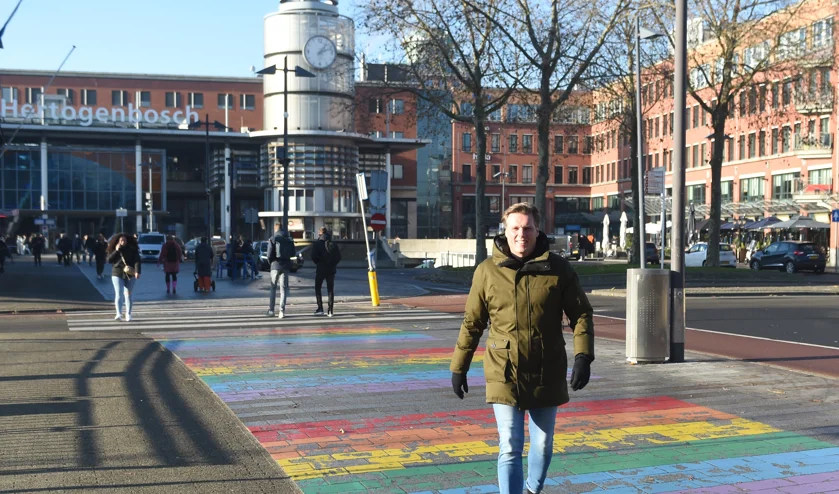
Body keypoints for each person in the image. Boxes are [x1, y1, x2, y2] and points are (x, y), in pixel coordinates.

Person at [449, 203, 594, 494]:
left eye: (527, 228)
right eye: (515, 228)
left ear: (537, 230)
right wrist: (459, 366)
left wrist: (583, 356)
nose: (521, 235)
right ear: (505, 230)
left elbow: (581, 314)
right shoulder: (487, 272)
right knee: (510, 445)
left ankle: (532, 488)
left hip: (546, 368)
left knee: (542, 443)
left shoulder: (558, 269)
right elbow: (472, 323)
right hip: (504, 370)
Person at [107, 233, 141, 321]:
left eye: (124, 240)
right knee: (118, 293)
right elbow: (109, 260)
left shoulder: (132, 249)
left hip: (130, 273)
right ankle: (118, 313)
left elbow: (137, 261)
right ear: (118, 241)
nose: (123, 242)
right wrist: (116, 251)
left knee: (128, 294)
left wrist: (137, 271)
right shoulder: (113, 249)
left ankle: (128, 314)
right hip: (117, 273)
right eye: (121, 240)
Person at [267, 225, 296, 318]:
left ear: (275, 229)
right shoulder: (289, 239)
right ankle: (281, 311)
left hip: (275, 265)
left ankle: (271, 310)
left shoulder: (273, 238)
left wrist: (271, 263)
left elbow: (269, 254)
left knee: (273, 288)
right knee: (283, 289)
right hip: (285, 266)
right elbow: (293, 253)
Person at [311, 226, 341, 317]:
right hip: (331, 269)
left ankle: (320, 308)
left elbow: (313, 256)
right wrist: (333, 264)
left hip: (320, 268)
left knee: (318, 288)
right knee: (330, 289)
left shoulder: (317, 244)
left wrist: (319, 263)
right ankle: (330, 310)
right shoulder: (333, 243)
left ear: (320, 233)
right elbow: (339, 257)